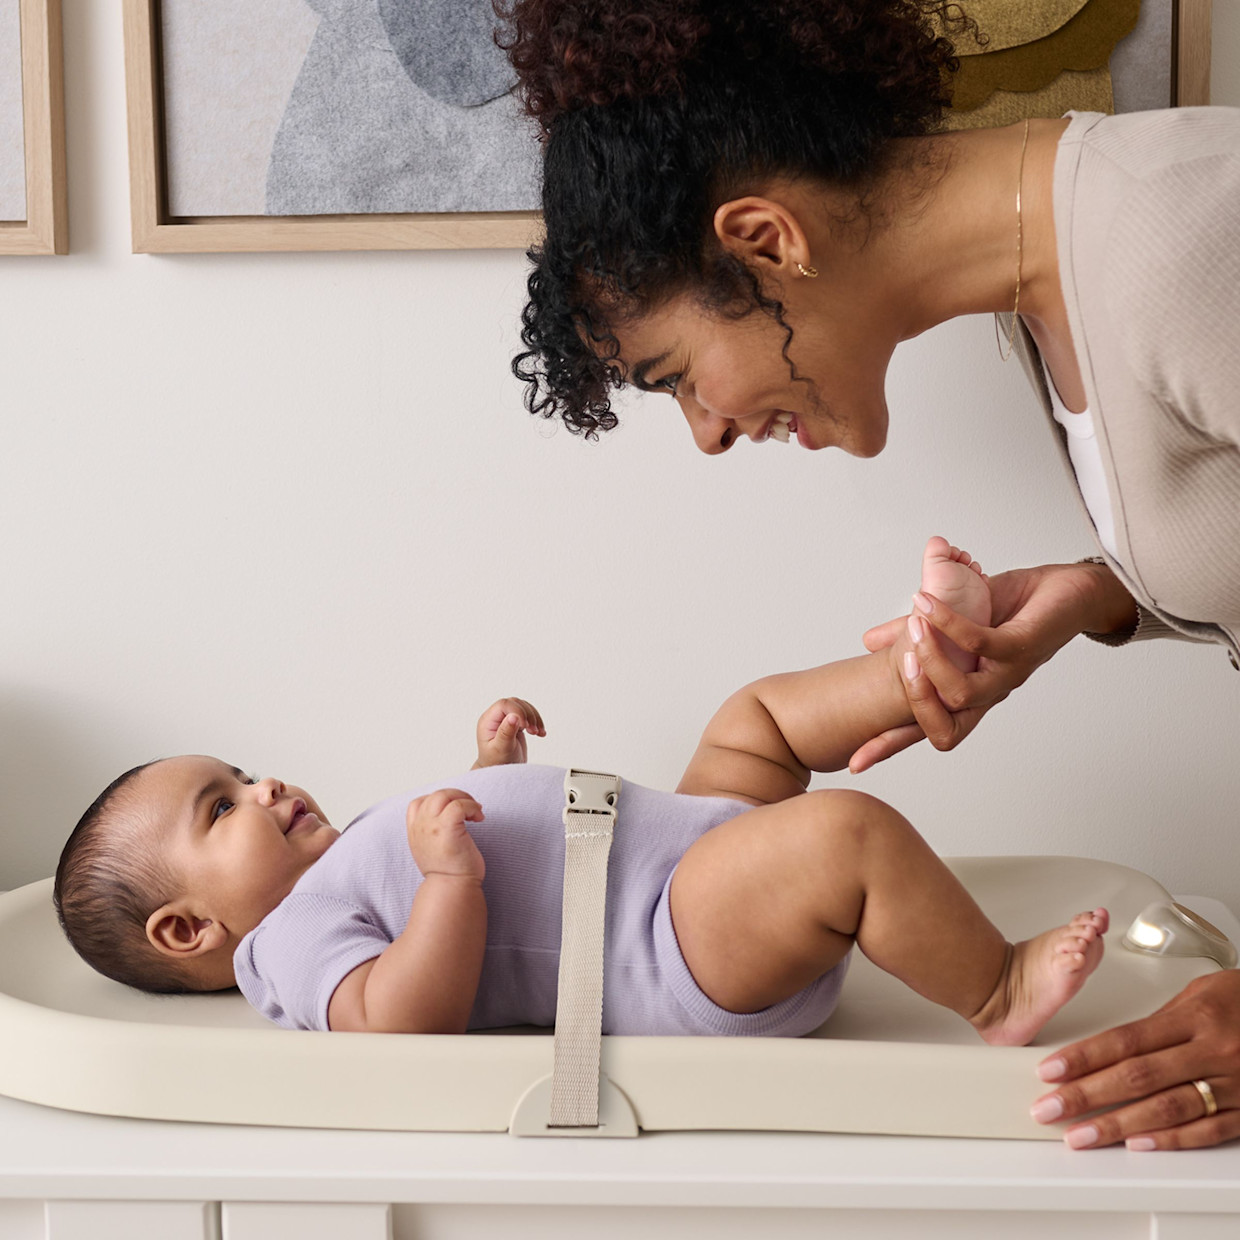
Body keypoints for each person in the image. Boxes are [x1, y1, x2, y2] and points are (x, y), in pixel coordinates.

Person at [496, 0, 1240, 1147]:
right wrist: (1098, 596)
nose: (706, 430)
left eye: (679, 374)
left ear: (764, 240)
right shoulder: (1053, 299)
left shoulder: (1180, 233)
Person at [55, 538, 1105, 1055]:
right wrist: (446, 877)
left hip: (661, 853)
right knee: (846, 834)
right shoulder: (281, 947)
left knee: (755, 720)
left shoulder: (333, 874)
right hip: (661, 943)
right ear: (190, 926)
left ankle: (931, 661)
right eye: (221, 807)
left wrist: (487, 772)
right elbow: (399, 1021)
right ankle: (994, 989)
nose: (263, 783)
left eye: (239, 772)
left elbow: (512, 879)